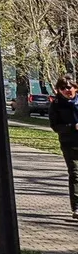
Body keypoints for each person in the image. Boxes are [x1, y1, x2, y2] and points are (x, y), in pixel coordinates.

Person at [47, 74, 78, 218]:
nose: (67, 90)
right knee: (75, 174)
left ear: (75, 88)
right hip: (69, 144)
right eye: (63, 88)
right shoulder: (56, 105)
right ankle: (76, 208)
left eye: (69, 87)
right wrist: (72, 127)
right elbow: (55, 126)